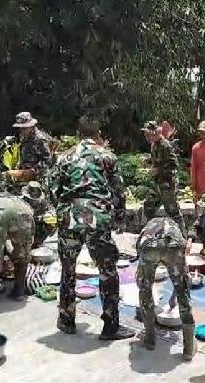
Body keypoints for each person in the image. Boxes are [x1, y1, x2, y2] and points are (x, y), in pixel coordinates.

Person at [49, 116, 135, 340]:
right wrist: (119, 217)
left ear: (78, 133)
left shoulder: (64, 157)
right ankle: (110, 327)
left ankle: (66, 320)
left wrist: (64, 208)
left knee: (68, 269)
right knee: (107, 270)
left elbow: (52, 188)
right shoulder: (107, 156)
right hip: (97, 218)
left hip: (69, 217)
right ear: (98, 134)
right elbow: (119, 191)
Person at [136, 217, 196, 359]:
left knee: (145, 289)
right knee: (182, 289)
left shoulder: (147, 228)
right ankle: (188, 347)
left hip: (148, 246)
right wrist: (175, 297)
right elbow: (182, 281)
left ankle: (149, 338)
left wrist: (143, 278)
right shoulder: (178, 233)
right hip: (172, 246)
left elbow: (140, 277)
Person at [141, 120, 186, 234]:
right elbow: (158, 160)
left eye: (148, 134)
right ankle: (148, 233)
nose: (146, 137)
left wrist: (158, 170)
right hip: (157, 183)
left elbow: (174, 164)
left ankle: (182, 236)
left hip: (167, 184)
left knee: (173, 211)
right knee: (149, 206)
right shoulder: (154, 145)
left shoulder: (165, 145)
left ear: (155, 133)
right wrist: (148, 161)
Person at [13, 112, 53, 179]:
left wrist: (33, 170)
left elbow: (47, 161)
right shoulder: (23, 137)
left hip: (39, 176)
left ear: (31, 127)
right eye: (20, 128)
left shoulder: (39, 140)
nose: (22, 131)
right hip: (24, 173)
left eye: (24, 128)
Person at [20, 181, 56, 247]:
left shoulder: (42, 203)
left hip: (37, 231)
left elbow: (50, 209)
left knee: (51, 220)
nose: (34, 201)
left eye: (35, 199)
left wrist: (48, 215)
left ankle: (37, 242)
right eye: (32, 199)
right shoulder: (21, 202)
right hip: (22, 231)